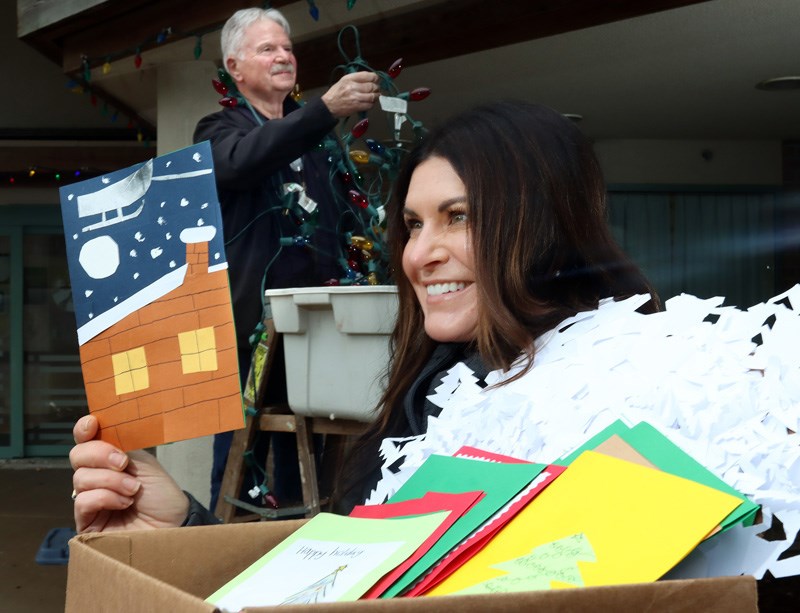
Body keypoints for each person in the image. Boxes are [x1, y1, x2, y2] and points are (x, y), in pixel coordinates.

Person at [70, 100, 658, 532]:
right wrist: (180, 527)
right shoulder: (416, 398)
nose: (420, 255)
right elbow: (341, 581)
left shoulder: (651, 395)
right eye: (413, 224)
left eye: (458, 217)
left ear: (547, 225)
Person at [192, 7, 380, 511]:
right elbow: (240, 163)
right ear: (235, 66)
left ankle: (304, 557)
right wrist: (323, 109)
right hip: (253, 327)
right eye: (267, 49)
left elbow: (345, 221)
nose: (283, 57)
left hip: (318, 328)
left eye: (288, 48)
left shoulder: (317, 142)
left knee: (312, 455)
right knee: (240, 453)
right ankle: (222, 561)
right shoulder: (217, 128)